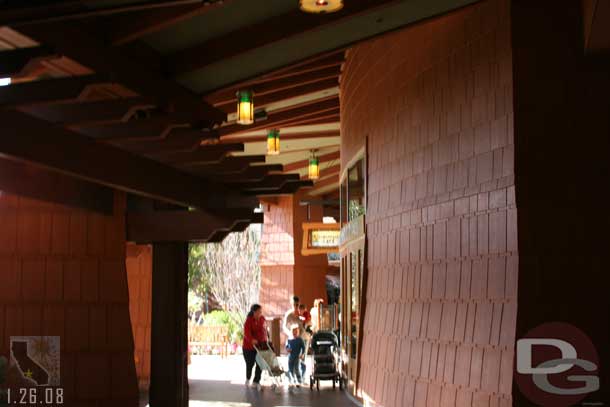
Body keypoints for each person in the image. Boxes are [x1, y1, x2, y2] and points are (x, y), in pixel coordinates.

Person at [242, 304, 268, 390]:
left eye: (261, 312)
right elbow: (247, 333)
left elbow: (264, 330)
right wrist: (252, 340)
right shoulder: (249, 321)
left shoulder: (262, 319)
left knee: (260, 363)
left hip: (260, 346)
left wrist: (264, 340)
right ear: (254, 312)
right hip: (248, 347)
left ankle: (256, 381)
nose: (261, 313)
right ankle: (248, 378)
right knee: (250, 364)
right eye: (259, 312)